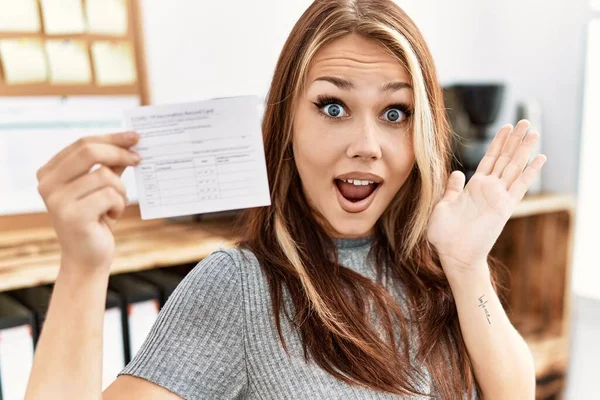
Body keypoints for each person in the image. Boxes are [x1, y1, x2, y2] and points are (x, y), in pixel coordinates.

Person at [25, 0, 544, 399]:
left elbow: (513, 392)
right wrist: (83, 270)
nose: (366, 145)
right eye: (333, 106)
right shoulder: (238, 287)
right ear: (286, 123)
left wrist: (467, 265)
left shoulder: (435, 262)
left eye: (395, 113)